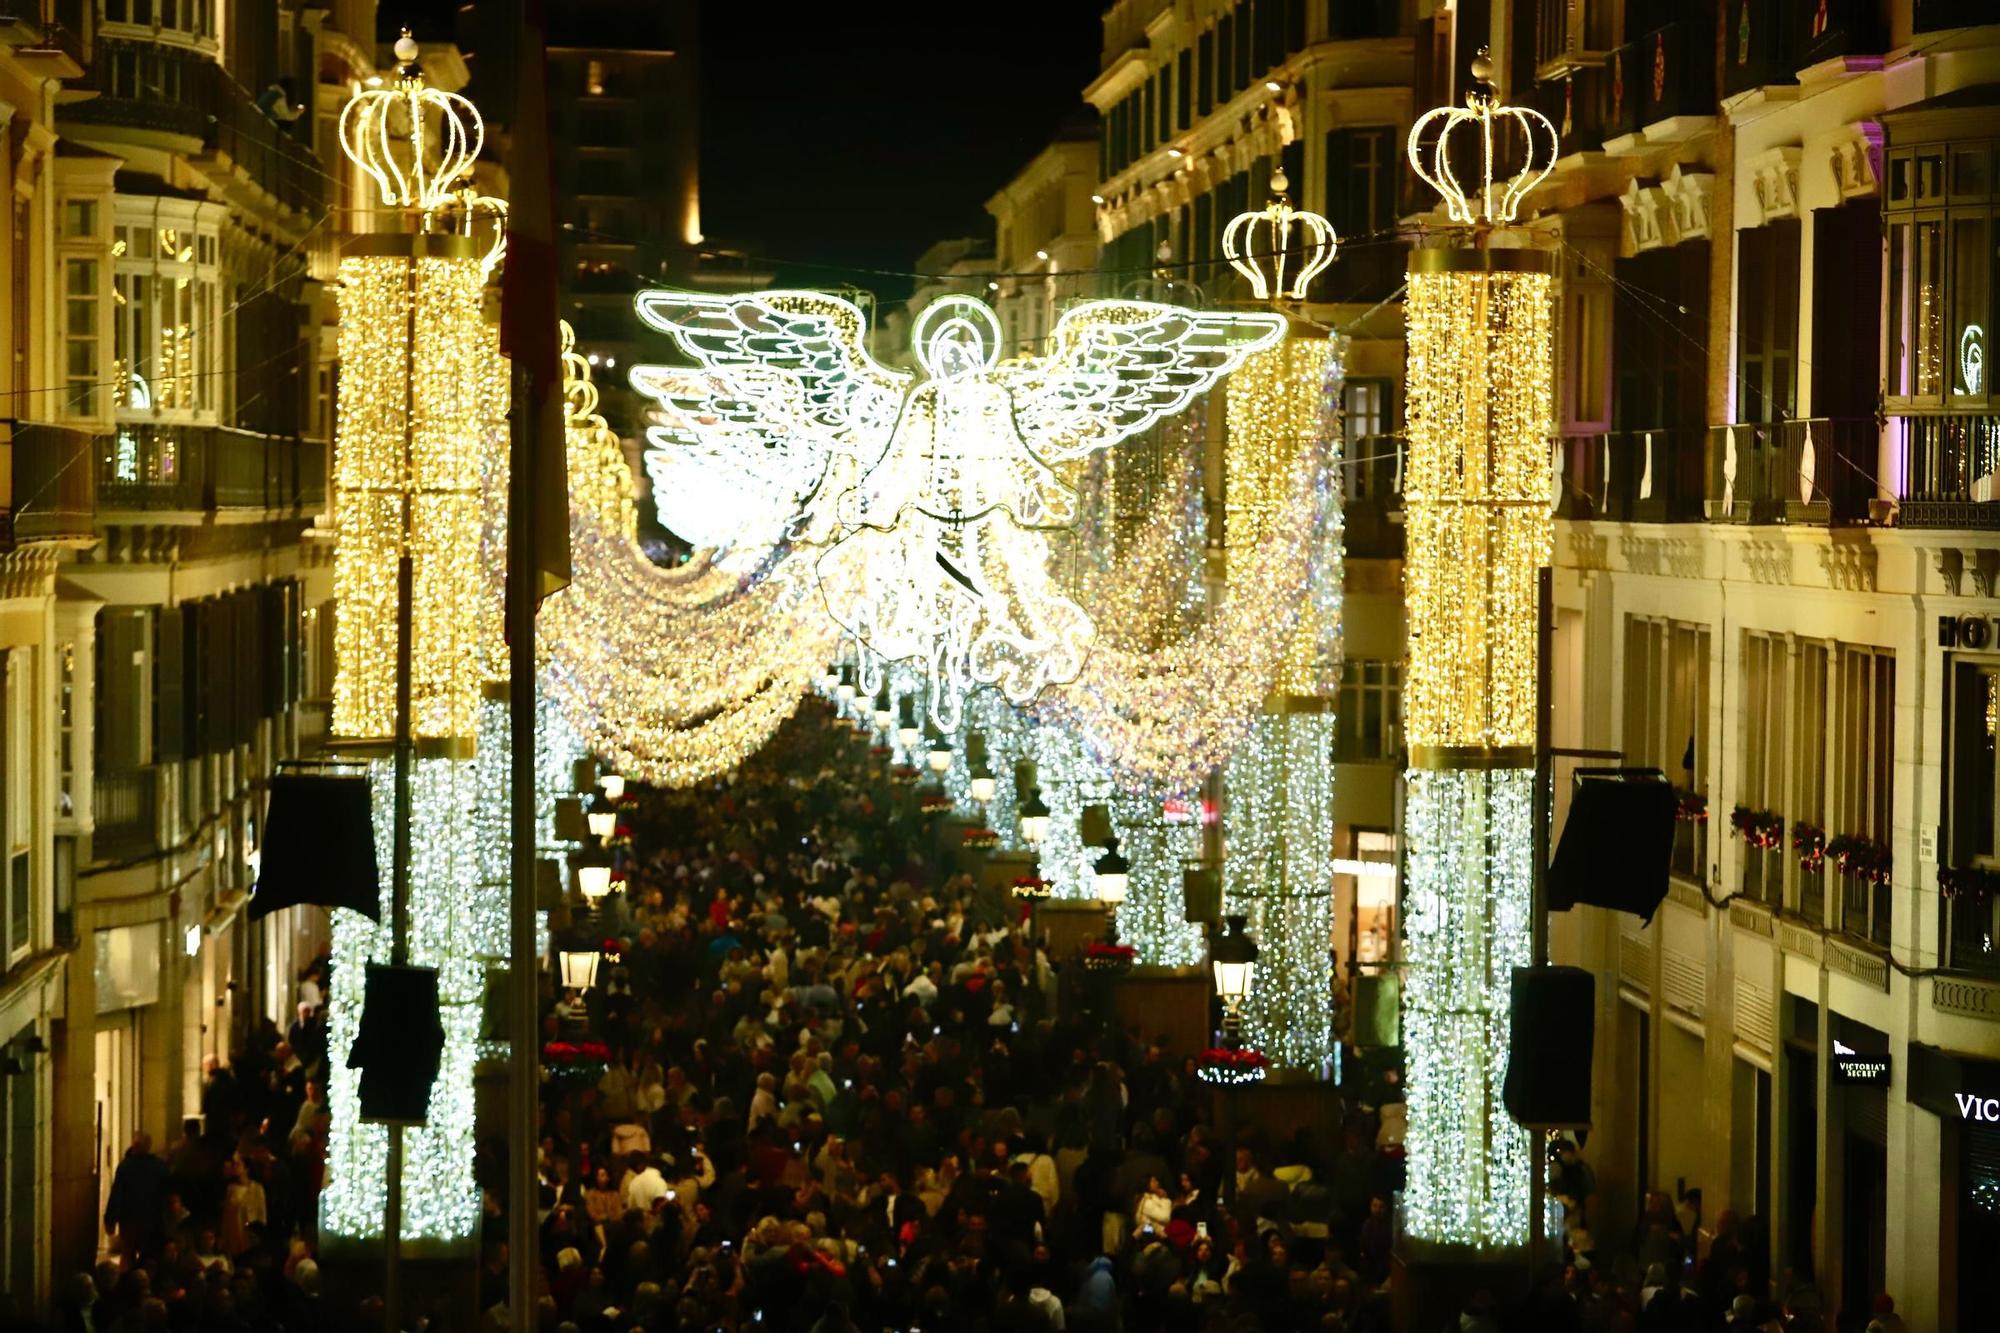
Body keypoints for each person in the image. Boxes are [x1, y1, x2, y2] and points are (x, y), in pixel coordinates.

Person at [104, 1132, 168, 1262]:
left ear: (134, 1145)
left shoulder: (125, 1167)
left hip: (129, 1221)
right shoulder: (160, 1167)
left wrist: (110, 1219)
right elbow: (166, 1195)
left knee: (127, 1256)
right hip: (152, 1221)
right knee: (150, 1258)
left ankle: (128, 1280)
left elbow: (117, 1195)